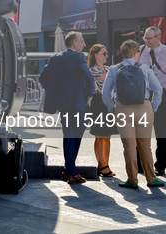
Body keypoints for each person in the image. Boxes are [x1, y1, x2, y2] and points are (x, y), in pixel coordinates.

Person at [102, 40, 164, 189]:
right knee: (145, 146)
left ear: (122, 54)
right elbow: (158, 90)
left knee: (129, 147)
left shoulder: (114, 69)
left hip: (123, 109)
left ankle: (132, 179)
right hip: (144, 107)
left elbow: (106, 94)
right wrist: (153, 106)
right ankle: (151, 178)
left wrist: (113, 109)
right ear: (136, 54)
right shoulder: (144, 68)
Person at [40, 31, 94, 185]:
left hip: (63, 105)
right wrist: (89, 95)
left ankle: (69, 170)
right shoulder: (79, 57)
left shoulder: (55, 58)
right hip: (78, 104)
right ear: (74, 43)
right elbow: (89, 77)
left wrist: (55, 92)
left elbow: (42, 78)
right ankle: (71, 172)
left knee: (69, 136)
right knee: (75, 136)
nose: (84, 44)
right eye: (82, 41)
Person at [87, 44, 118, 177]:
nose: (106, 56)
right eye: (104, 53)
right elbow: (110, 81)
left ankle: (106, 164)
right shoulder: (93, 70)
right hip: (98, 102)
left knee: (107, 136)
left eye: (106, 53)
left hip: (108, 103)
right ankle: (102, 165)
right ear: (96, 55)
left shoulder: (107, 68)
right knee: (100, 135)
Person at [139, 26, 166, 176]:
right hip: (144, 95)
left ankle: (160, 165)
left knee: (161, 131)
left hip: (163, 93)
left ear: (158, 38)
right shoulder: (141, 50)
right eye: (145, 38)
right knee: (142, 129)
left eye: (149, 38)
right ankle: (141, 164)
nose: (146, 41)